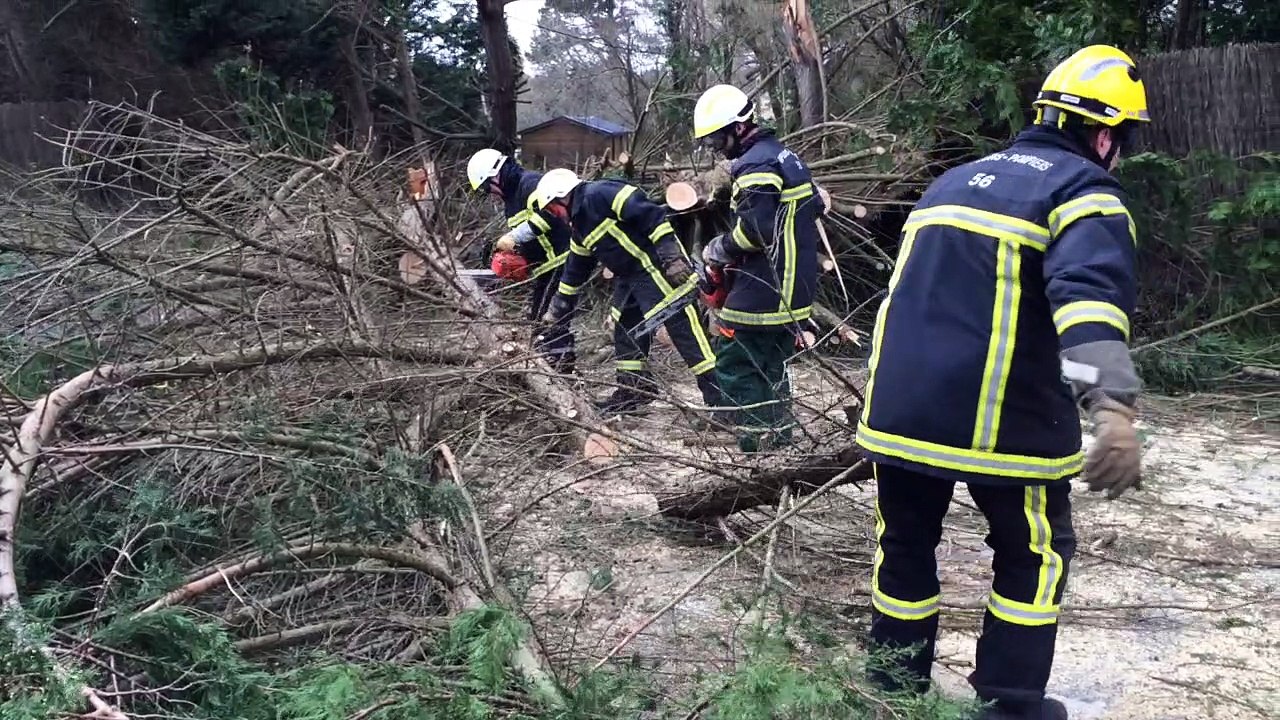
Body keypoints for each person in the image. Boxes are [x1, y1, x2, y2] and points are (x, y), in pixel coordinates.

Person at [854, 45, 1149, 719]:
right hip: (1003, 421)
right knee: (1033, 557)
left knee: (902, 549)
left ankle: (893, 691)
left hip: (897, 413)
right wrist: (1113, 409)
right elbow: (1088, 302)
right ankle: (1009, 706)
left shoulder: (952, 182)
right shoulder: (1084, 192)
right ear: (1105, 136)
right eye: (1122, 142)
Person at [532, 168, 724, 417]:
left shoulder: (601, 194)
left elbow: (652, 215)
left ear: (562, 197)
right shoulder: (580, 225)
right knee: (625, 330)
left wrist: (671, 255)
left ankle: (721, 400)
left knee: (684, 333)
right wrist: (558, 305)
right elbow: (575, 268)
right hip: (630, 277)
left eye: (551, 209)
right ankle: (634, 391)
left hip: (655, 267)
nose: (553, 216)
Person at [693, 84, 819, 453]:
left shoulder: (755, 165)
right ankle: (780, 442)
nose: (717, 146)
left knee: (736, 362)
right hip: (794, 283)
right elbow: (816, 206)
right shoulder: (785, 156)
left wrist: (718, 250)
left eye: (717, 138)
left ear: (737, 127)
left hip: (768, 286)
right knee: (771, 363)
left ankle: (757, 444)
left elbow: (755, 232)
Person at [467, 148, 576, 373]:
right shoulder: (510, 202)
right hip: (547, 266)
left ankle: (561, 366)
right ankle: (557, 363)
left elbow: (551, 214)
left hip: (565, 258)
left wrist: (513, 237)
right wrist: (514, 255)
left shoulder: (531, 184)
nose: (490, 193)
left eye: (487, 187)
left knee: (551, 317)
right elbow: (529, 239)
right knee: (539, 318)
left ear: (495, 175)